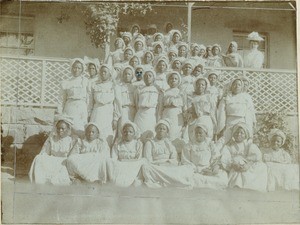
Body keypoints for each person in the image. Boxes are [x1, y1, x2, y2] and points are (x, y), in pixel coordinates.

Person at [142, 119, 193, 188]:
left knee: (186, 168)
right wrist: (159, 164)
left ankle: (164, 182)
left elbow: (174, 158)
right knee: (146, 167)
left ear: (167, 132)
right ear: (156, 130)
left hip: (168, 166)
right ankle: (171, 181)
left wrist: (168, 163)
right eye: (160, 128)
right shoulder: (150, 143)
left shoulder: (169, 144)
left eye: (164, 129)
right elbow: (148, 160)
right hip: (156, 167)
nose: (161, 130)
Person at [29, 115, 77, 185]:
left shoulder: (71, 140)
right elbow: (44, 152)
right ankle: (40, 181)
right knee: (38, 158)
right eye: (58, 128)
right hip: (51, 161)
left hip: (63, 163)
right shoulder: (52, 139)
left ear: (67, 129)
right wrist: (44, 158)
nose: (60, 130)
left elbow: (72, 157)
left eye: (62, 128)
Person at [220, 122, 268, 191]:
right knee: (237, 169)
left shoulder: (248, 145)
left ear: (246, 135)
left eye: (242, 133)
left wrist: (248, 164)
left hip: (247, 164)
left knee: (262, 166)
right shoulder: (229, 146)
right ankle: (237, 186)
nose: (238, 134)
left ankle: (251, 186)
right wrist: (233, 164)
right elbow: (225, 157)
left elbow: (255, 156)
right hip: (235, 165)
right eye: (236, 132)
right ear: (233, 134)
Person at [181, 122, 228, 189]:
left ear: (205, 134)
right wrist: (195, 169)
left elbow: (216, 157)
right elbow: (185, 160)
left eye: (200, 133)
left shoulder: (210, 144)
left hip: (207, 168)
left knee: (222, 178)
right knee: (192, 179)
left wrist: (211, 168)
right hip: (194, 169)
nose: (198, 134)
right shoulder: (189, 145)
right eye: (196, 133)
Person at [90, 64, 121, 146]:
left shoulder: (114, 86)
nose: (103, 74)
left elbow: (117, 103)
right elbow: (90, 102)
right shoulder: (95, 85)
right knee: (94, 133)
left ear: (109, 73)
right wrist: (89, 114)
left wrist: (115, 118)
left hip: (108, 113)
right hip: (96, 112)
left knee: (106, 135)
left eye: (105, 72)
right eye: (101, 72)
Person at [107, 122, 145, 187]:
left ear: (134, 133)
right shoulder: (117, 144)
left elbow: (138, 159)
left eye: (130, 132)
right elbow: (114, 159)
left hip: (133, 167)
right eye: (125, 132)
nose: (127, 134)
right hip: (120, 167)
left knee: (143, 161)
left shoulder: (138, 144)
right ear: (122, 133)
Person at [60, 58, 89, 136]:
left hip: (81, 107)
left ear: (82, 69)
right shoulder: (66, 83)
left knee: (80, 129)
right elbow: (62, 99)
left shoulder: (86, 81)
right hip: (69, 107)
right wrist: (60, 112)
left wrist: (88, 112)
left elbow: (89, 98)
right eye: (74, 67)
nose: (76, 70)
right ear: (71, 68)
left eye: (79, 68)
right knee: (68, 129)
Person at [134, 69, 161, 141]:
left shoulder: (157, 90)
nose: (148, 77)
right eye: (145, 76)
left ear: (154, 78)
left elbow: (159, 105)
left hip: (151, 114)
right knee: (138, 136)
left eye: (150, 76)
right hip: (140, 114)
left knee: (150, 136)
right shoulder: (139, 90)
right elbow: (136, 104)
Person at [160, 71, 187, 141]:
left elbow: (184, 107)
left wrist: (185, 120)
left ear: (178, 81)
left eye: (175, 79)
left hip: (177, 115)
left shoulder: (181, 92)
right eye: (171, 78)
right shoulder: (165, 93)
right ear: (168, 80)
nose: (173, 80)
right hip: (166, 114)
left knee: (175, 134)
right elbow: (160, 108)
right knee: (167, 133)